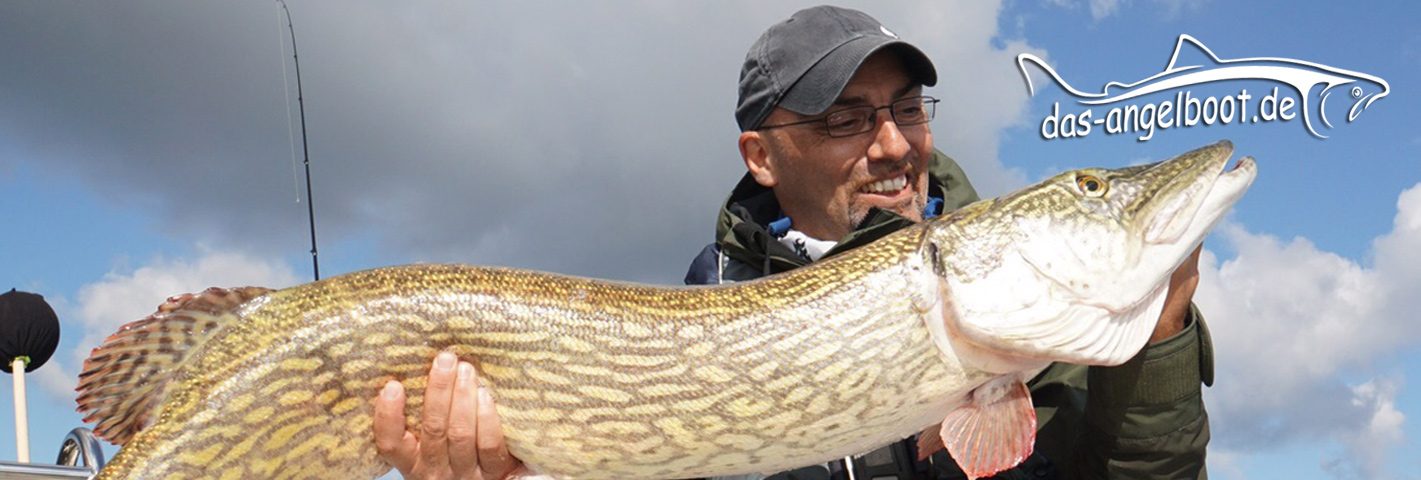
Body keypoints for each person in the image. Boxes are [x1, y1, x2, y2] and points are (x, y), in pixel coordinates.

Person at [373, 5, 1213, 479]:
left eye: (907, 108)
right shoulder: (702, 313)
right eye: (844, 118)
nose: (891, 144)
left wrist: (1164, 340)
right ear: (761, 155)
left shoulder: (1036, 329)